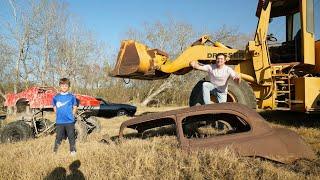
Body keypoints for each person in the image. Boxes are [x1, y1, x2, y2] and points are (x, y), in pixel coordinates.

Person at [52, 78, 78, 156]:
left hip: (69, 121)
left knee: (71, 136)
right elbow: (54, 106)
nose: (64, 87)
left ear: (68, 87)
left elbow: (75, 106)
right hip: (60, 121)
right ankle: (55, 151)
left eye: (66, 85)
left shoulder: (71, 97)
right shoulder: (56, 97)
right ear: (60, 86)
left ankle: (72, 151)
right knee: (58, 137)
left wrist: (72, 115)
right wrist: (57, 114)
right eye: (62, 85)